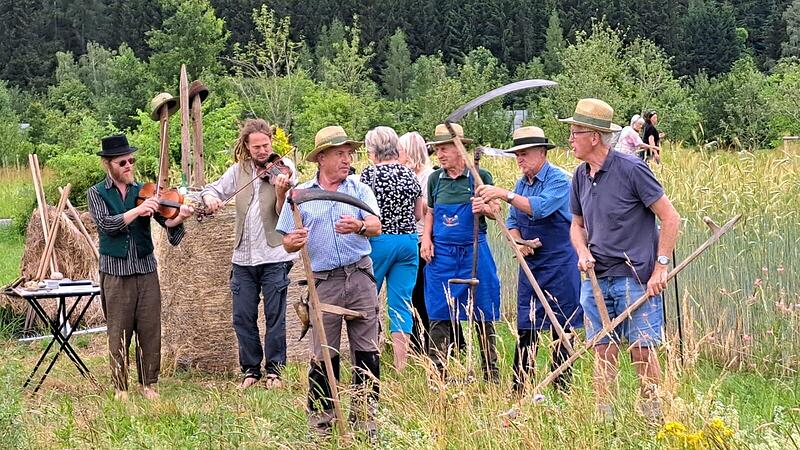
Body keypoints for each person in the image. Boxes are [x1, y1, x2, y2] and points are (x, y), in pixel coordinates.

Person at [561, 98, 680, 420]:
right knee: (603, 350)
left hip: (635, 277)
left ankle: (654, 418)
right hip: (597, 279)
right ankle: (606, 420)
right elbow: (577, 225)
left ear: (594, 137)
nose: (570, 139)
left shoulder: (632, 169)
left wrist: (661, 268)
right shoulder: (580, 176)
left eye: (574, 133)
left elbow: (670, 218)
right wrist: (583, 252)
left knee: (641, 350)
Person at [277, 125, 382, 435]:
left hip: (360, 274)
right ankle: (322, 424)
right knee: (324, 354)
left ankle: (365, 421)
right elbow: (285, 240)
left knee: (366, 350)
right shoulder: (300, 196)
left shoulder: (358, 189)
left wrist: (360, 226)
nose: (347, 159)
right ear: (321, 158)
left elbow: (376, 225)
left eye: (349, 153)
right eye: (339, 153)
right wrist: (293, 242)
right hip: (322, 280)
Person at [476, 126, 583, 393]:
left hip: (560, 262)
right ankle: (520, 387)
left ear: (542, 152)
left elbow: (541, 207)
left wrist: (502, 193)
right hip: (532, 264)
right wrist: (517, 241)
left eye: (524, 153)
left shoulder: (559, 180)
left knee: (562, 325)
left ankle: (562, 387)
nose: (519, 159)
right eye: (516, 154)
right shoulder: (522, 183)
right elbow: (513, 220)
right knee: (527, 325)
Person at [87, 134, 193, 401]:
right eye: (122, 162)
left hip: (146, 268)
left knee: (149, 328)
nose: (128, 166)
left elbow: (167, 223)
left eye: (131, 160)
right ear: (109, 165)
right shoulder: (96, 193)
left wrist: (179, 215)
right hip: (116, 272)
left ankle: (148, 384)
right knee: (118, 330)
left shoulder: (143, 191)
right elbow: (107, 225)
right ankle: (120, 387)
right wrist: (138, 211)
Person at [199, 119, 297, 389]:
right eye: (257, 147)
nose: (263, 151)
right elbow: (212, 189)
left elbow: (285, 211)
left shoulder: (285, 170)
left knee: (275, 314)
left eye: (266, 145)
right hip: (243, 255)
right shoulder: (237, 171)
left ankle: (275, 370)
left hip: (274, 253)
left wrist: (281, 191)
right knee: (242, 316)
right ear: (247, 147)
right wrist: (210, 199)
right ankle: (251, 370)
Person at [420, 123, 501, 382]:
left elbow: (496, 210)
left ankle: (491, 372)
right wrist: (426, 239)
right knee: (438, 310)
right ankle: (438, 373)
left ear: (460, 149)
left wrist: (484, 207)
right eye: (438, 150)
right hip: (442, 255)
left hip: (474, 249)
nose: (440, 154)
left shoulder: (480, 177)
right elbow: (430, 213)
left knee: (483, 310)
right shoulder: (435, 179)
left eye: (445, 149)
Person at [361, 126, 422, 371]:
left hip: (379, 241)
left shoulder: (369, 176)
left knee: (366, 300)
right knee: (401, 303)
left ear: (373, 151)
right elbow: (418, 213)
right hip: (407, 241)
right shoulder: (410, 175)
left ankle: (369, 354)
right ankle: (401, 364)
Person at [397, 131, 434, 353]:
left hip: (423, 240)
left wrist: (409, 188)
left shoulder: (427, 176)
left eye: (400, 151)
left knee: (423, 295)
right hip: (412, 239)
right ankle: (417, 343)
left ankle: (429, 342)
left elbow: (427, 210)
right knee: (413, 294)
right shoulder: (409, 175)